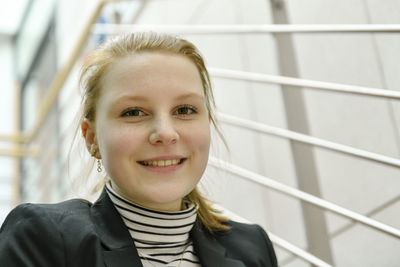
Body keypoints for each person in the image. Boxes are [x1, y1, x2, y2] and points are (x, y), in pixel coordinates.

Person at [0, 32, 278, 267]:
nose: (166, 133)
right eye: (134, 112)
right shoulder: (43, 236)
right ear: (92, 138)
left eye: (184, 109)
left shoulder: (252, 248)